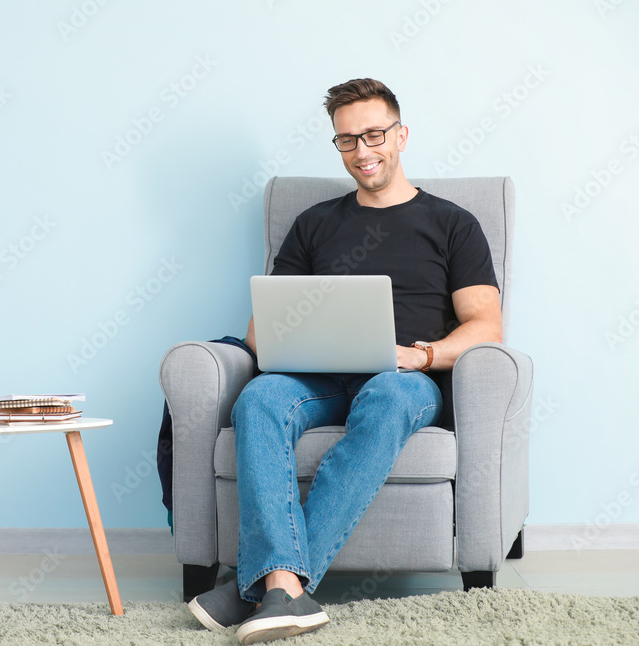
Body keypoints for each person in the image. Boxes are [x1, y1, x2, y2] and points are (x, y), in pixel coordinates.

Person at [187, 78, 503, 644]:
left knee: (385, 395)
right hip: (318, 372)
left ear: (401, 135)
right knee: (259, 397)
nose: (362, 151)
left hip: (405, 377)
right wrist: (274, 332)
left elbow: (486, 325)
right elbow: (264, 330)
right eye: (346, 140)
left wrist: (422, 353)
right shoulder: (314, 223)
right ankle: (286, 590)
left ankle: (257, 588)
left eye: (374, 135)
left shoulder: (453, 223)